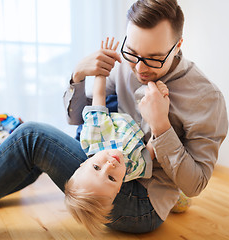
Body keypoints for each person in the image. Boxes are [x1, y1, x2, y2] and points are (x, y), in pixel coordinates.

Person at [0, 0, 228, 236]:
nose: (139, 68)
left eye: (153, 58)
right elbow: (80, 121)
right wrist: (78, 76)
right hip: (106, 166)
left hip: (141, 203)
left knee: (33, 137)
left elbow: (196, 185)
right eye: (132, 52)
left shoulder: (205, 99)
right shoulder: (128, 66)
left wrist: (162, 127)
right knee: (47, 145)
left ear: (178, 47)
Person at [64, 38, 173, 234]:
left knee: (107, 102)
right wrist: (160, 104)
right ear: (119, 189)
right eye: (111, 178)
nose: (110, 165)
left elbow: (98, 98)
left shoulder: (93, 137)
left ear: (83, 163)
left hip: (109, 116)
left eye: (96, 167)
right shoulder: (132, 168)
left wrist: (102, 71)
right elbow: (153, 146)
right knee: (144, 104)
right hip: (133, 124)